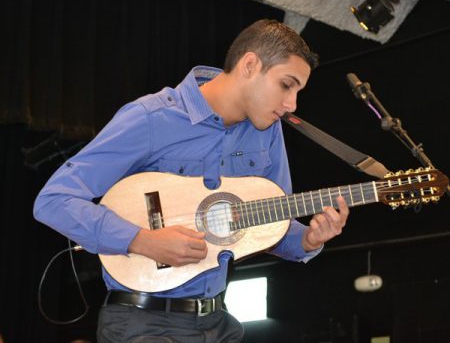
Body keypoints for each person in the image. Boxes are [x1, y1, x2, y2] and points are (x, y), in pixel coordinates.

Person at [34, 19, 349, 343]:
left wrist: (308, 240)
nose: (291, 104)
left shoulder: (267, 132)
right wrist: (142, 240)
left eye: (297, 91)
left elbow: (271, 225)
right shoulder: (151, 117)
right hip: (144, 324)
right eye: (286, 85)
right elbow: (54, 201)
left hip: (218, 322)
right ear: (250, 65)